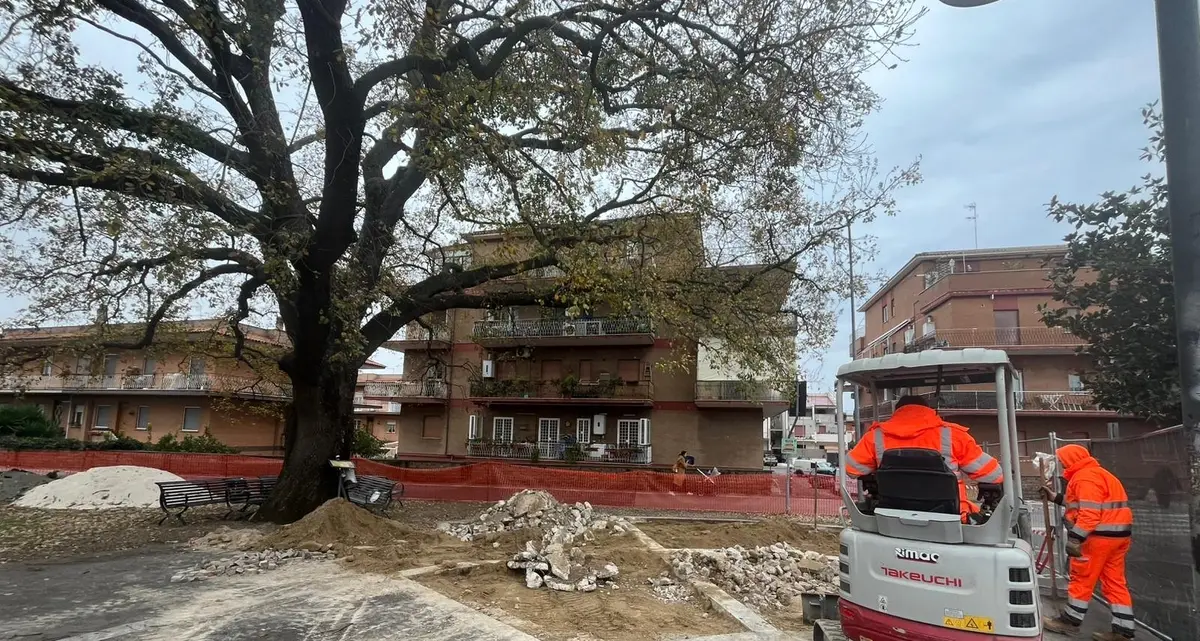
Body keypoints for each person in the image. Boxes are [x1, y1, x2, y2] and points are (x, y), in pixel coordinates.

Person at [845, 395, 1003, 522]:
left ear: (897, 411)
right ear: (928, 410)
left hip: (891, 516)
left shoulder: (876, 436)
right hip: (952, 518)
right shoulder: (953, 435)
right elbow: (994, 475)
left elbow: (852, 469)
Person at [1040, 444, 1135, 640]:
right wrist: (1056, 497)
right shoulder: (1101, 474)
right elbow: (1083, 502)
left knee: (1081, 579)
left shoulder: (1084, 478)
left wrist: (1076, 538)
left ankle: (1070, 622)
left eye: (1062, 460)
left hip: (1097, 538)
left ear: (1070, 460)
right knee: (1115, 582)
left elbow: (1089, 513)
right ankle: (1123, 631)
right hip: (1118, 537)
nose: (1060, 464)